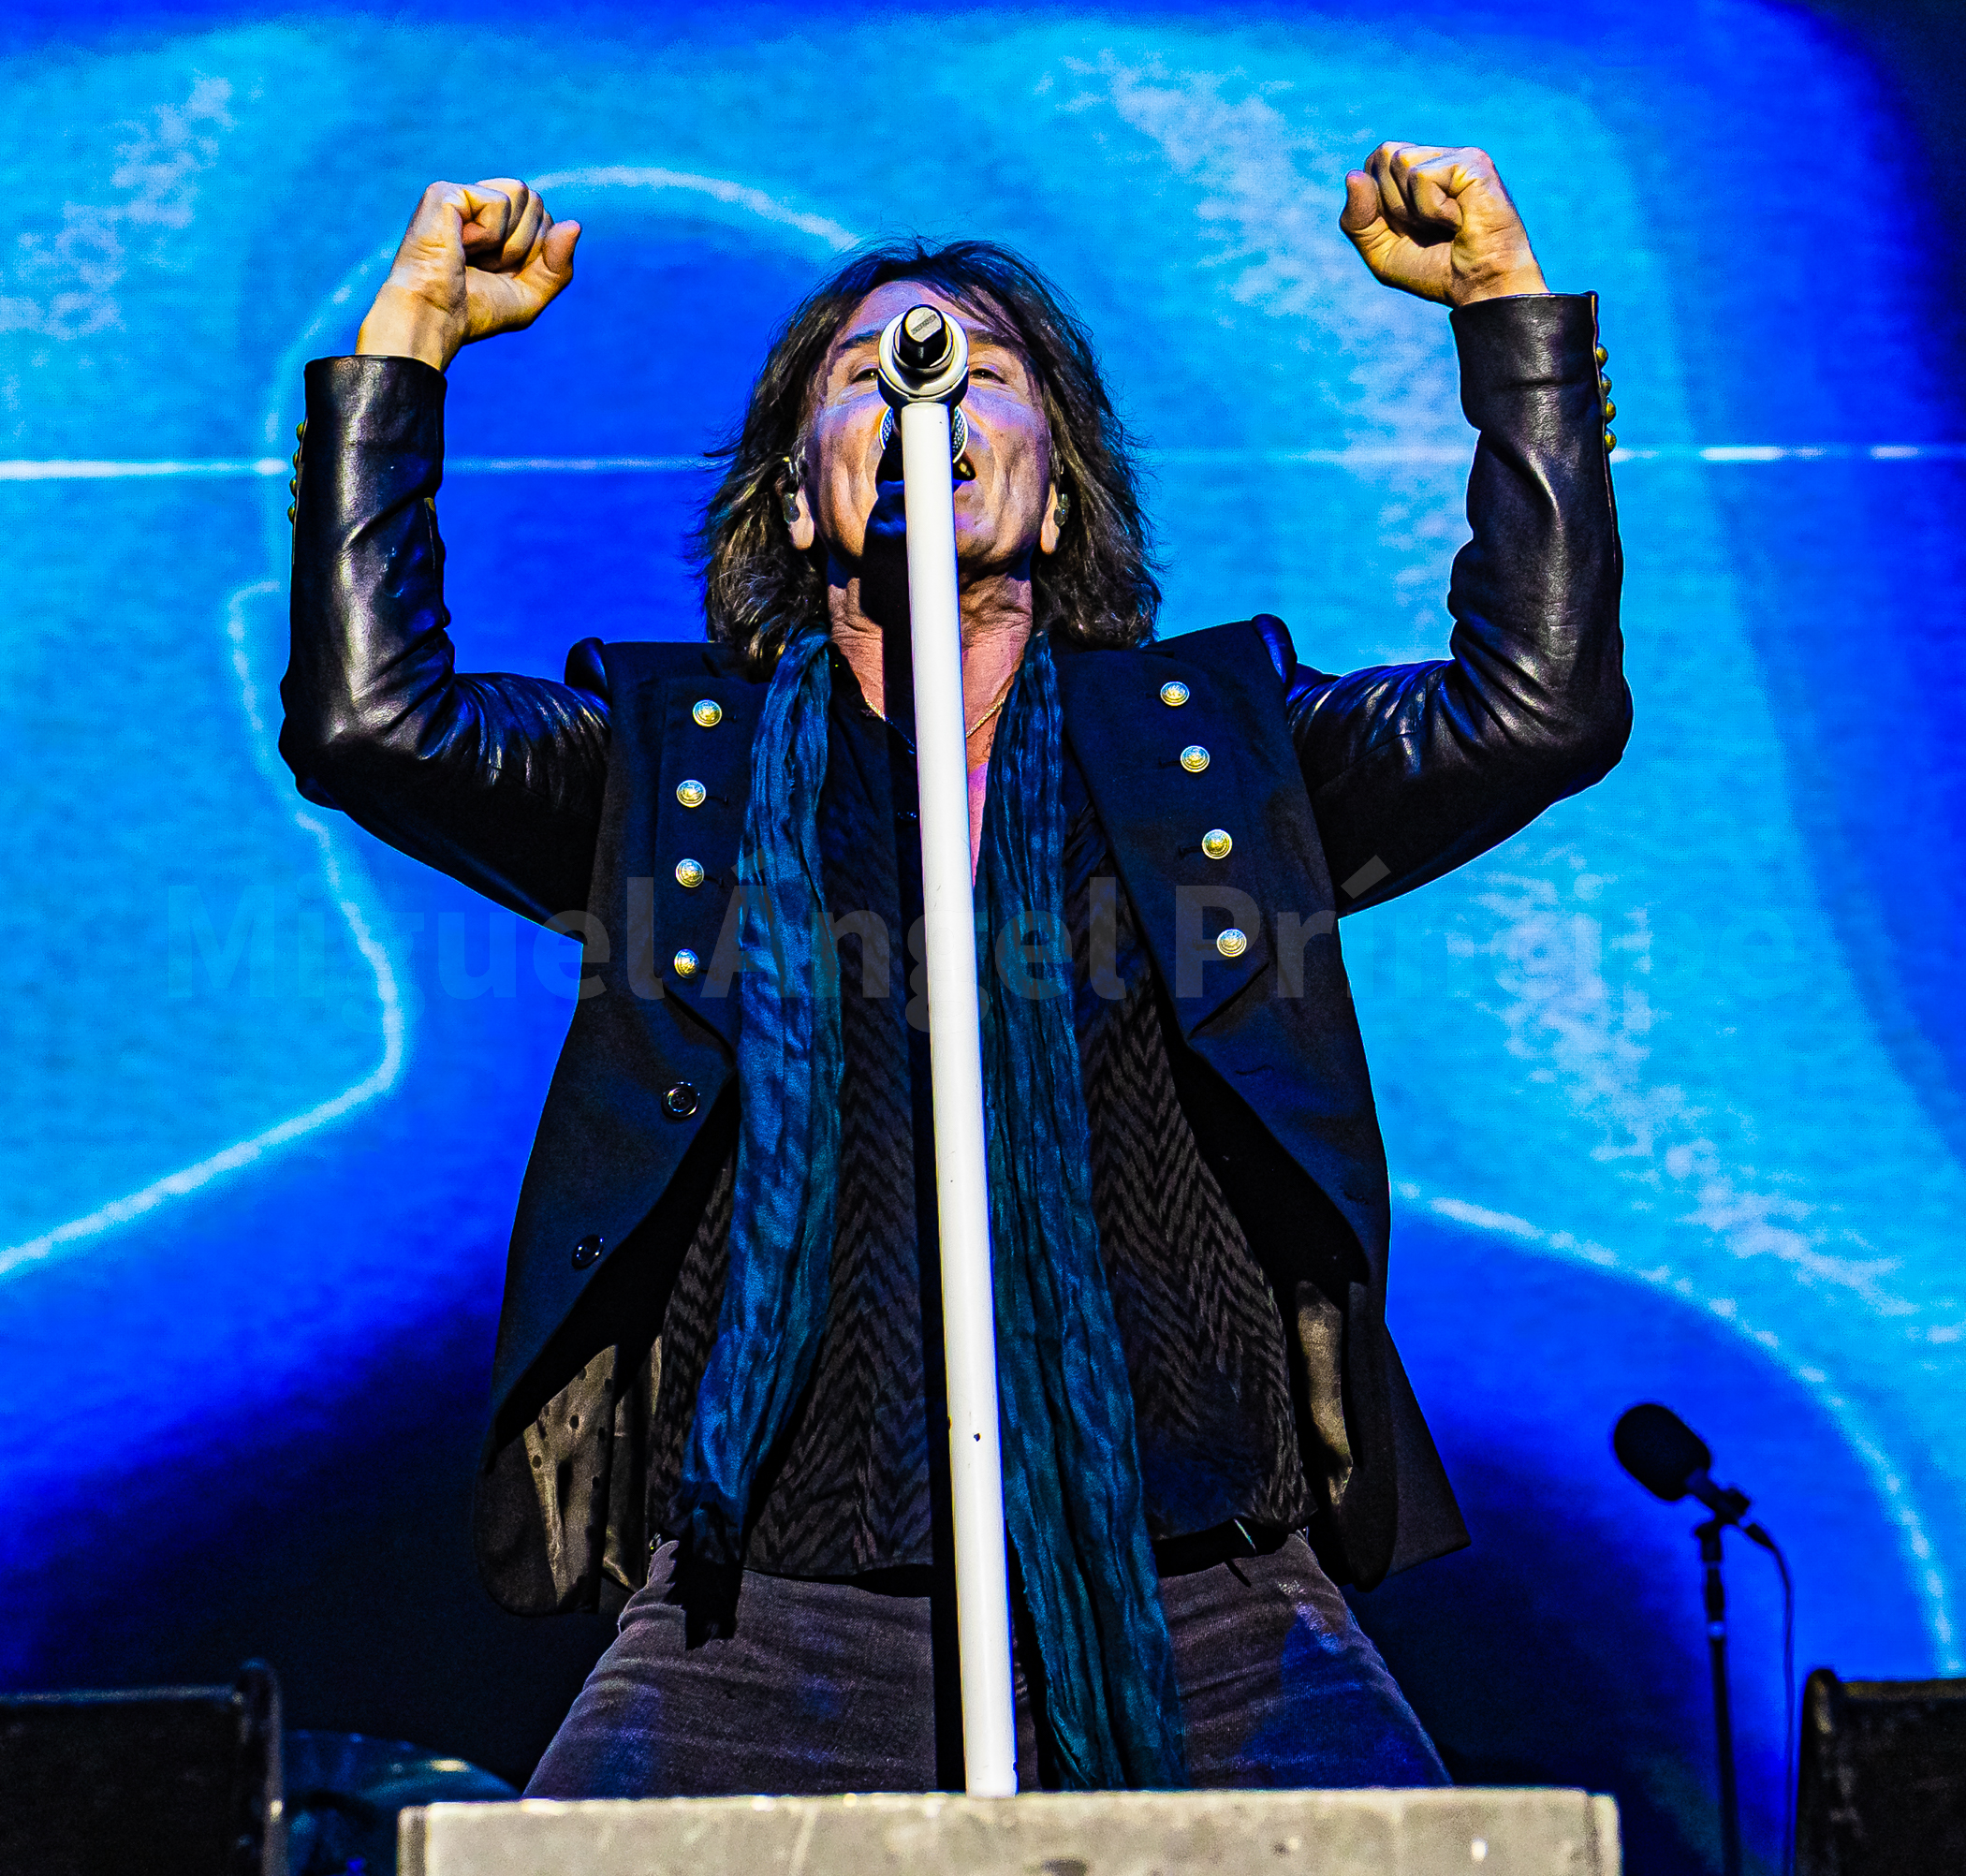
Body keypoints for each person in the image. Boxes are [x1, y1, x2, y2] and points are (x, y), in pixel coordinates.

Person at [281, 142, 1628, 1796]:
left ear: (1056, 499)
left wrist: (1506, 317)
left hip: (1202, 1588)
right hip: (765, 1606)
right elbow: (374, 725)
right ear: (800, 498)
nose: (928, 395)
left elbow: (1534, 710)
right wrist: (409, 343)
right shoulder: (678, 767)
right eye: (866, 377)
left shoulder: (1212, 748)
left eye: (987, 375)